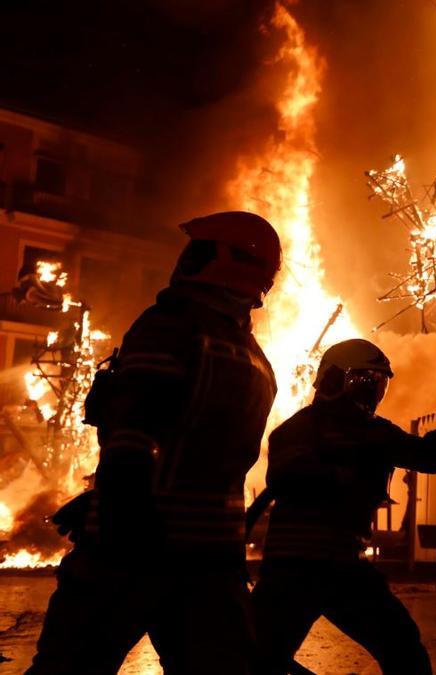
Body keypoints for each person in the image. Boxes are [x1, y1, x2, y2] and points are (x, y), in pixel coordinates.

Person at [29, 211, 281, 674]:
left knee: (69, 668)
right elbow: (202, 449)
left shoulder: (171, 325)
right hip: (212, 557)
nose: (185, 259)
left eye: (197, 249)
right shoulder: (255, 357)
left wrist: (115, 508)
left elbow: (135, 429)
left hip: (132, 551)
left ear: (219, 259)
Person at [251, 338, 436, 674]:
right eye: (365, 382)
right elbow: (288, 478)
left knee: (402, 647)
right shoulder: (308, 431)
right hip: (304, 568)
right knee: (258, 659)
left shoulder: (363, 432)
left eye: (378, 384)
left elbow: (426, 457)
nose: (373, 393)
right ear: (336, 380)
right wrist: (347, 471)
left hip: (329, 566)